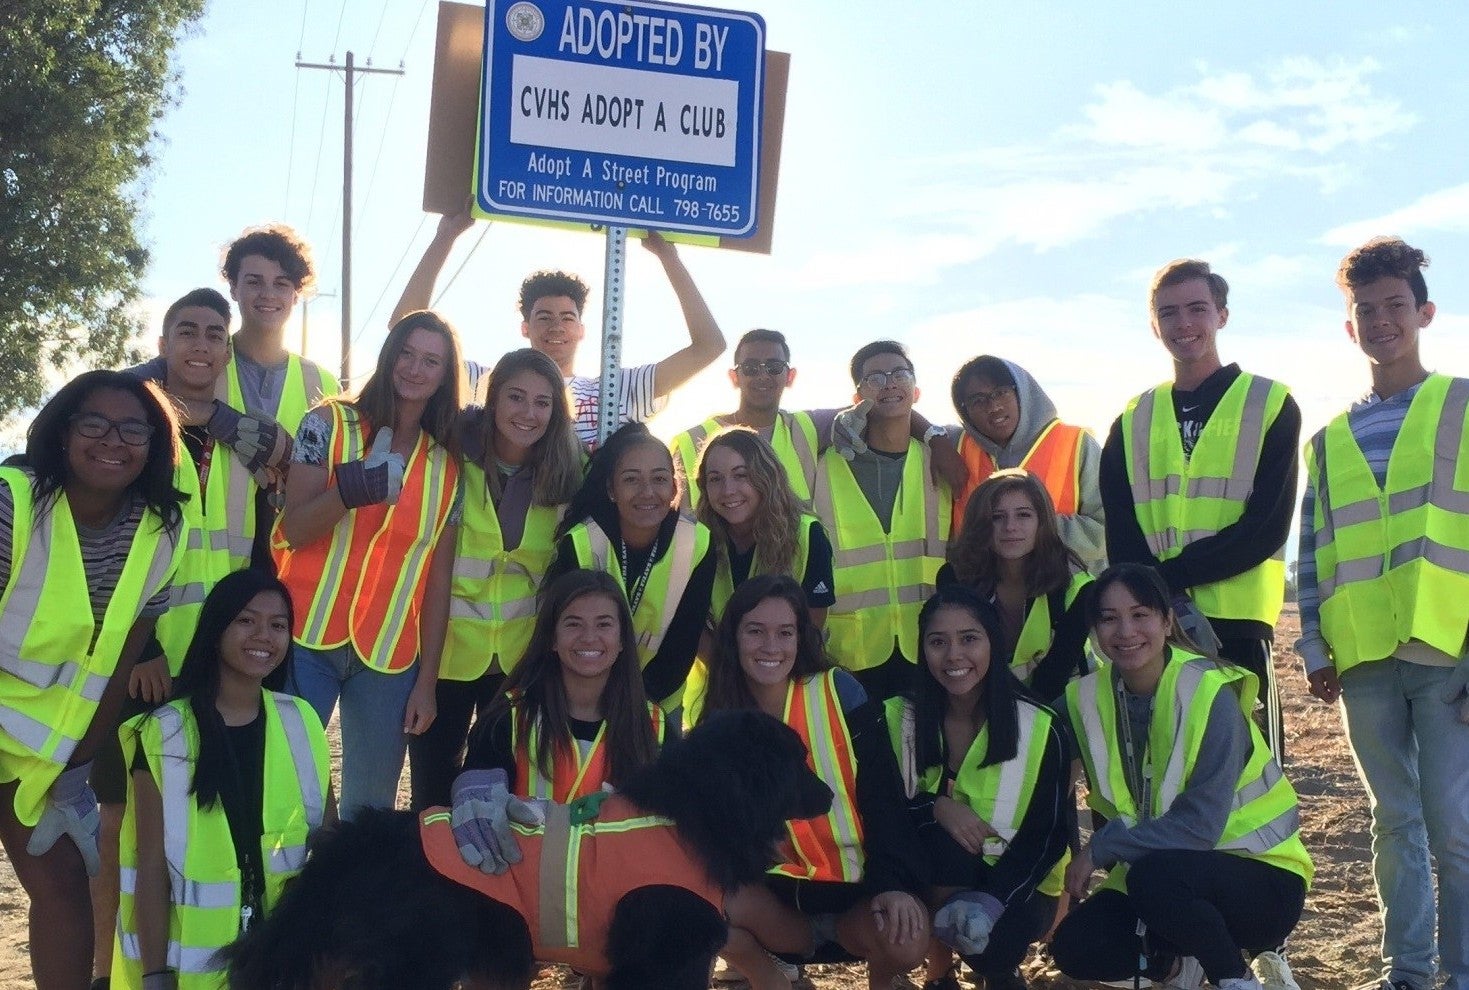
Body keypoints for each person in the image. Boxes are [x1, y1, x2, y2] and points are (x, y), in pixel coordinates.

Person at [96, 288, 294, 986]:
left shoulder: (252, 437)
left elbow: (282, 494)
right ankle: (106, 966)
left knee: (206, 813)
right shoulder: (136, 429)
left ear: (227, 346)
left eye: (215, 333)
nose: (201, 345)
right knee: (122, 818)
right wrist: (142, 646)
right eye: (188, 331)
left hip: (226, 660)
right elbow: (117, 545)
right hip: (148, 656)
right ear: (166, 338)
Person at [1297, 237, 1469, 990]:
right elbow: (1312, 551)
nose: (1379, 320)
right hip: (1361, 658)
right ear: (1348, 327)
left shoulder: (1460, 406)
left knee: (1453, 830)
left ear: (1423, 312)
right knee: (1392, 824)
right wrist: (1311, 646)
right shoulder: (1327, 438)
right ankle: (1407, 972)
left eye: (1394, 305)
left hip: (1444, 650)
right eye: (1364, 310)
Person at [0, 371, 186, 990]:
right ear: (63, 431)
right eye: (94, 424)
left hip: (43, 754)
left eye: (133, 428)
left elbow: (126, 654)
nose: (114, 440)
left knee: (62, 890)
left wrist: (75, 768)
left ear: (155, 445)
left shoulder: (161, 531)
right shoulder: (14, 503)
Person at [1049, 564, 1311, 990]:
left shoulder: (1209, 691)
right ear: (1094, 630)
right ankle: (1175, 966)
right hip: (1163, 877)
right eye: (1109, 618)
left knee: (1156, 879)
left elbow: (1199, 828)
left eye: (1140, 614)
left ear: (1167, 621)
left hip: (1261, 880)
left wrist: (1101, 847)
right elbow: (1030, 737)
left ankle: (1234, 978)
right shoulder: (1085, 697)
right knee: (1077, 946)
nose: (1125, 631)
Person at [1100, 259, 1300, 764]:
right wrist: (1156, 594)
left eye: (1197, 309)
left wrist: (1168, 578)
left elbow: (1266, 527)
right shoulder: (1132, 417)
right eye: (1169, 313)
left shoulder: (1269, 403)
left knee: (1250, 768)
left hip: (1236, 623)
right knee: (1161, 765)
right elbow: (1120, 528)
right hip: (1152, 628)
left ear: (1222, 315)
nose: (1183, 324)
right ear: (1154, 325)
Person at [273, 310, 465, 819]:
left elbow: (437, 580)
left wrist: (427, 680)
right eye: (407, 353)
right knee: (292, 794)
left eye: (431, 361)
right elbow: (293, 531)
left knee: (370, 812)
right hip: (304, 638)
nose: (415, 369)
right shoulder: (325, 423)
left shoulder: (449, 465)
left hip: (390, 658)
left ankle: (348, 896)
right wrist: (351, 489)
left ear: (446, 376)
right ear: (388, 355)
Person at [694, 574, 928, 990]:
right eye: (755, 631)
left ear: (802, 638)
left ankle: (884, 977)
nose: (771, 647)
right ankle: (767, 974)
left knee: (908, 938)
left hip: (857, 896)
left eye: (785, 633)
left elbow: (884, 800)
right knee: (694, 899)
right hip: (776, 909)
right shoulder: (718, 721)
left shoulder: (841, 692)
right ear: (733, 638)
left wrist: (891, 887)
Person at [112, 569, 331, 990]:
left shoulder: (302, 721)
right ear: (216, 630)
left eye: (278, 625)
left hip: (283, 962)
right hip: (193, 971)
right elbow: (151, 866)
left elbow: (327, 843)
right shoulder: (162, 733)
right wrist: (155, 975)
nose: (264, 636)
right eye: (246, 620)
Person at [408, 348, 584, 810]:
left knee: (504, 795)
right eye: (516, 397)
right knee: (432, 796)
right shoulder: (451, 459)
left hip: (519, 667)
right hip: (444, 658)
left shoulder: (568, 476)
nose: (528, 413)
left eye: (542, 402)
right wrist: (424, 680)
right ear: (492, 400)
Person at [392, 209, 727, 447]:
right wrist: (445, 237)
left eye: (567, 318)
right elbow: (403, 331)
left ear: (581, 330)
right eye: (544, 317)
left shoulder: (617, 387)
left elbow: (709, 346)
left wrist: (669, 257)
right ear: (525, 328)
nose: (556, 326)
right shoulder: (489, 382)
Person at [885, 585, 1071, 990]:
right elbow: (879, 808)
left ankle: (999, 975)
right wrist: (935, 807)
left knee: (994, 948)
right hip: (936, 873)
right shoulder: (898, 718)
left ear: (993, 645)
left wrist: (992, 901)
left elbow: (1050, 836)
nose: (954, 655)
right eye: (938, 642)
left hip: (1020, 881)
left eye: (969, 639)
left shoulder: (1040, 726)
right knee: (939, 843)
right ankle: (940, 973)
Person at [813, 340, 952, 702]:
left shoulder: (942, 456)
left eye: (900, 374)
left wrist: (936, 436)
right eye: (875, 378)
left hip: (930, 648)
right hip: (847, 655)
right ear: (857, 396)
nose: (890, 383)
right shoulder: (821, 464)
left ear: (916, 390)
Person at [457, 569, 663, 808]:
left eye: (604, 624)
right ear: (552, 638)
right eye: (574, 624)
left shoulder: (655, 727)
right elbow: (477, 822)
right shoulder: (506, 721)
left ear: (622, 641)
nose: (589, 637)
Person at [546, 422, 715, 711]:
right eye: (632, 480)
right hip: (585, 697)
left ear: (675, 486)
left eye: (659, 479)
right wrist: (601, 703)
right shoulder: (582, 542)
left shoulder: (697, 541)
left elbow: (684, 641)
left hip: (659, 701)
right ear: (611, 490)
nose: (647, 492)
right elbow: (564, 634)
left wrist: (639, 707)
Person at [132, 224, 339, 436]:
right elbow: (116, 394)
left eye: (281, 284)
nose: (268, 294)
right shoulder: (202, 357)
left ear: (296, 294)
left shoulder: (324, 383)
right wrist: (216, 416)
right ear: (233, 288)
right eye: (254, 282)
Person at [938, 470, 1093, 702]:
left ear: (1042, 522)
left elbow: (1053, 678)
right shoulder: (954, 578)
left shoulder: (1077, 585)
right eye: (997, 517)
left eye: (1023, 515)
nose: (1010, 527)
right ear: (980, 524)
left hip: (1065, 701)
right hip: (982, 699)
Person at [948, 355, 1105, 573]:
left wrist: (1031, 530)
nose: (993, 406)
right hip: (985, 595)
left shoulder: (1077, 444)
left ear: (1022, 392)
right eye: (978, 400)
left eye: (1001, 392)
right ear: (965, 412)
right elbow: (895, 417)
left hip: (1063, 592)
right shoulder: (956, 446)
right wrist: (933, 438)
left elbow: (1106, 530)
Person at [694, 426, 836, 625]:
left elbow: (811, 633)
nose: (728, 490)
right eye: (715, 478)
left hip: (788, 656)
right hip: (721, 656)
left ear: (767, 476)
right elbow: (693, 626)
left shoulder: (807, 535)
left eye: (741, 475)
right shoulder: (697, 540)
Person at [670, 328, 820, 509]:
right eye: (751, 368)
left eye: (774, 367)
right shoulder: (691, 442)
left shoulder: (811, 428)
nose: (763, 376)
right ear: (734, 377)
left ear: (790, 376)